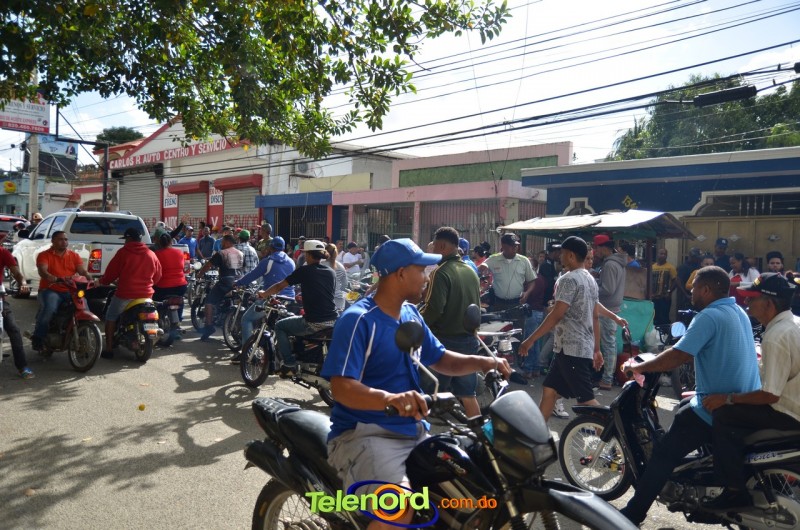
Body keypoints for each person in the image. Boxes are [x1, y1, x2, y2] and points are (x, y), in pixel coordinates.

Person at [321, 238, 512, 529]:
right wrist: (390, 399)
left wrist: (484, 362)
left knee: (472, 490)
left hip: (414, 430)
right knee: (399, 508)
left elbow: (441, 359)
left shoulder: (410, 314)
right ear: (400, 273)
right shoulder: (359, 320)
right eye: (421, 270)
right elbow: (342, 387)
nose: (427, 277)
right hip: (365, 434)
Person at [620, 266, 761, 526]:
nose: (691, 291)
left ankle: (632, 514)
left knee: (663, 454)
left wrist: (639, 367)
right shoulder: (737, 311)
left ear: (706, 290)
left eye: (694, 286)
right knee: (685, 404)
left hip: (720, 406)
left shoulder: (708, 316)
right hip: (740, 400)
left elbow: (678, 355)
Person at [700, 273, 800, 509]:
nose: (746, 302)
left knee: (724, 416)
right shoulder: (793, 323)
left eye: (752, 298)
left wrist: (728, 398)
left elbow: (770, 395)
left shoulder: (776, 336)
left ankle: (734, 491)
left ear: (769, 304)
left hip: (787, 413)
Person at [518, 236, 625, 422]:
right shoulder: (590, 279)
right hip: (569, 348)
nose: (560, 257)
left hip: (572, 349)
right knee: (549, 391)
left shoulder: (568, 279)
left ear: (571, 256)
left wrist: (530, 340)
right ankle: (537, 434)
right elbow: (595, 314)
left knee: (586, 400)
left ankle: (615, 428)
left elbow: (557, 314)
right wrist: (597, 347)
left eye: (563, 253)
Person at [421, 227, 482, 418]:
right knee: (468, 394)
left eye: (434, 246)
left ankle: (425, 433)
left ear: (441, 246)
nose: (432, 250)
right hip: (469, 340)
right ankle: (480, 431)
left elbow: (433, 310)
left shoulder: (440, 272)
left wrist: (414, 321)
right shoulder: (470, 270)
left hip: (445, 342)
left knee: (430, 395)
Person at [257, 239, 338, 377]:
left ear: (309, 255)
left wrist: (264, 294)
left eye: (305, 254)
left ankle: (289, 364)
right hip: (334, 320)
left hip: (314, 322)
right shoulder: (331, 272)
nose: (304, 256)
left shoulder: (305, 271)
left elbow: (280, 286)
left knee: (280, 326)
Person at [98, 228, 163, 359]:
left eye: (125, 239)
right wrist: (147, 284)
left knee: (111, 316)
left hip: (125, 294)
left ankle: (109, 349)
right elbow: (158, 276)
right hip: (146, 295)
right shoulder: (151, 254)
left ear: (128, 239)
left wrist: (102, 281)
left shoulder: (123, 252)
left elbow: (110, 274)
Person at [233, 236, 295, 361]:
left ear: (270, 247)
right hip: (289, 299)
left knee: (246, 319)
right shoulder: (291, 261)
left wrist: (238, 283)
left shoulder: (268, 261)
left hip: (271, 298)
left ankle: (246, 352)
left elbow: (252, 275)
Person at [31, 231, 91, 351]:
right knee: (49, 310)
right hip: (50, 289)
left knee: (84, 308)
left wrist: (88, 276)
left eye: (66, 239)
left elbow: (81, 270)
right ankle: (38, 339)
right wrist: (50, 276)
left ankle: (83, 337)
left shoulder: (74, 255)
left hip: (70, 290)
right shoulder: (44, 255)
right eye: (60, 239)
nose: (64, 242)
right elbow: (42, 270)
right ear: (53, 241)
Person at [592, 234, 627, 391]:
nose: (595, 251)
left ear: (603, 248)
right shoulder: (616, 262)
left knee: (607, 344)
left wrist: (592, 285)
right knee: (608, 343)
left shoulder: (610, 264)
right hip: (611, 307)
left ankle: (607, 379)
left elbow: (607, 289)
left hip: (606, 308)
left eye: (597, 248)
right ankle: (605, 377)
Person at [196, 234, 243, 341]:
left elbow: (208, 265)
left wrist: (200, 274)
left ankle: (209, 327)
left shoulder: (221, 253)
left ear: (227, 242)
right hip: (239, 282)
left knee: (209, 301)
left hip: (226, 281)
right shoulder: (240, 253)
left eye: (222, 242)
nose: (221, 244)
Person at [0, 227, 33, 378]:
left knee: (13, 330)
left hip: (0, 300)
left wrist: (23, 283)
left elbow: (17, 272)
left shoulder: (3, 253)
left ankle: (22, 366)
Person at [478, 232, 536, 314]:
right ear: (503, 246)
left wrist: (527, 293)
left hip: (517, 304)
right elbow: (480, 269)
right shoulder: (494, 259)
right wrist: (482, 267)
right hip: (498, 304)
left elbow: (532, 281)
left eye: (516, 245)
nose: (515, 248)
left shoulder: (524, 261)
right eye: (512, 246)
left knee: (517, 323)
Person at [152, 233, 189, 340]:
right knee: (179, 301)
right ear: (171, 242)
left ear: (159, 243)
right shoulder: (179, 253)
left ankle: (157, 322)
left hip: (162, 287)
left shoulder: (156, 254)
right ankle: (178, 322)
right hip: (181, 286)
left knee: (156, 303)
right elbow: (184, 268)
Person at [651, 248, 677, 326]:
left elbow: (675, 281)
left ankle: (664, 332)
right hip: (653, 297)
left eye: (665, 254)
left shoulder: (670, 267)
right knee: (653, 317)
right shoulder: (652, 267)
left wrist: (669, 292)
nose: (663, 255)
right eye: (661, 253)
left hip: (664, 298)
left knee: (664, 318)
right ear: (657, 255)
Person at [324, 243, 348, 312]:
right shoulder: (341, 266)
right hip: (339, 300)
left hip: (324, 299)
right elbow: (345, 284)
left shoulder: (320, 265)